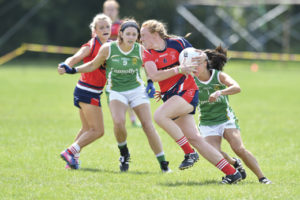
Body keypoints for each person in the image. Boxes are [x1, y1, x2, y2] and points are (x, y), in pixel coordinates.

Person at [58, 19, 171, 173]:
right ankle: (124, 153)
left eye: (134, 34)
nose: (131, 37)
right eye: (128, 34)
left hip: (136, 90)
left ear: (137, 36)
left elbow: (149, 67)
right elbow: (92, 65)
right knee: (118, 122)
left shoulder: (141, 49)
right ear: (121, 34)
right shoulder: (108, 48)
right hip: (116, 91)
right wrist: (74, 70)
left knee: (147, 125)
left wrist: (150, 82)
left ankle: (163, 164)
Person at [141, 19, 242, 184]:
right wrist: (178, 71)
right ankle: (232, 172)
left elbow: (199, 56)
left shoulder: (179, 43)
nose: (141, 39)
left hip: (187, 91)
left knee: (159, 116)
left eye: (143, 35)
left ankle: (189, 153)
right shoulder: (147, 53)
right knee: (196, 138)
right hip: (171, 96)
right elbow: (154, 75)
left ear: (154, 34)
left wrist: (199, 59)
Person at [193, 45, 272, 184]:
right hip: (207, 121)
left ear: (205, 63)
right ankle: (235, 164)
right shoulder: (191, 80)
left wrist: (220, 92)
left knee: (238, 148)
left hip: (226, 119)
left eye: (197, 63)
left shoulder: (218, 76)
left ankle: (262, 178)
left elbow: (236, 87)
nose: (193, 66)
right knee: (213, 153)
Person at [57, 14, 112, 169]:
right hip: (87, 91)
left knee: (87, 129)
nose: (105, 30)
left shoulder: (111, 45)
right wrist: (65, 65)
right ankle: (69, 151)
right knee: (98, 131)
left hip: (88, 91)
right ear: (94, 31)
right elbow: (75, 58)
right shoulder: (92, 45)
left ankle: (71, 159)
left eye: (107, 26)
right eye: (101, 28)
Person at [103, 0, 141, 128]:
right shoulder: (101, 26)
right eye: (108, 9)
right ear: (104, 10)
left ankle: (132, 119)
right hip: (107, 63)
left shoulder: (122, 26)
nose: (110, 11)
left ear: (117, 11)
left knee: (130, 88)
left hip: (126, 62)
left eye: (112, 9)